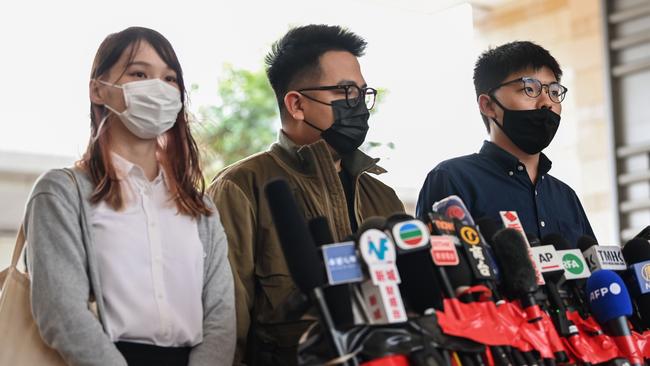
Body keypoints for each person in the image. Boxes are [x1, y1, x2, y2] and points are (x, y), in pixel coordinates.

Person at [24, 26, 235, 366]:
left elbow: (221, 317)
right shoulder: (62, 192)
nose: (160, 88)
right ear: (98, 90)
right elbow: (60, 312)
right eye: (139, 73)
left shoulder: (200, 207)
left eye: (169, 78)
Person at [208, 24, 404, 365]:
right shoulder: (241, 187)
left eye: (362, 92)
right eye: (345, 92)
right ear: (297, 104)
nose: (358, 105)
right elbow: (225, 327)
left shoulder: (383, 196)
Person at [416, 41, 595, 246]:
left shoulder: (565, 197)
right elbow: (437, 270)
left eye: (554, 92)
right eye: (529, 89)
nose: (547, 102)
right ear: (488, 105)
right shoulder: (453, 179)